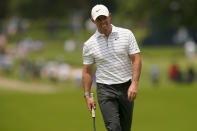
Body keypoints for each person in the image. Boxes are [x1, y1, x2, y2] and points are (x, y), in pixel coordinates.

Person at [82, 4, 142, 131]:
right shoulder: (89, 44)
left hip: (126, 87)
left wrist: (134, 84)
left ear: (110, 16)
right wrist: (87, 95)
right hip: (105, 89)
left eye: (104, 17)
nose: (103, 21)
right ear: (93, 21)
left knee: (125, 128)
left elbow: (136, 59)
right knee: (114, 128)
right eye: (99, 19)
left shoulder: (126, 34)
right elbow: (87, 71)